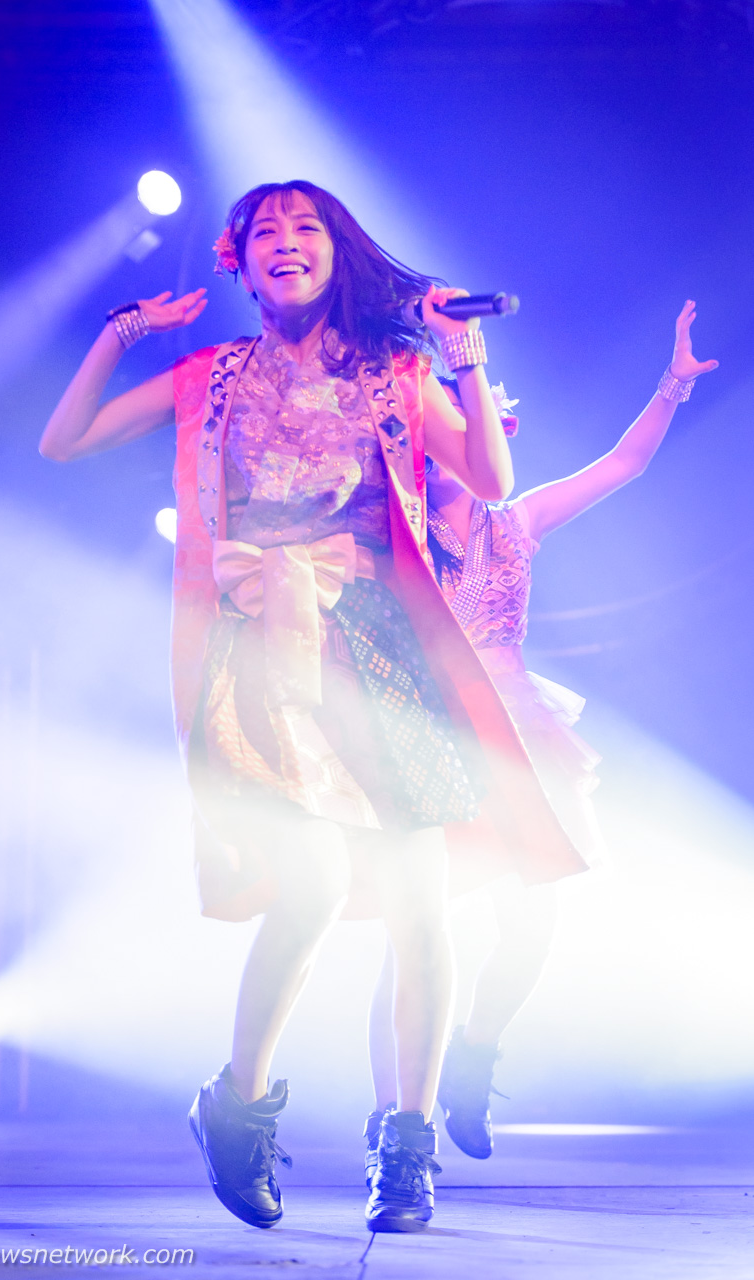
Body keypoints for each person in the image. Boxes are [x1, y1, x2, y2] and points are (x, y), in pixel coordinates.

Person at [39, 180, 586, 1233]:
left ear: (337, 254)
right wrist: (122, 331)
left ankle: (407, 1150)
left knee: (423, 899)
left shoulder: (393, 373)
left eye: (307, 229)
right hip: (264, 650)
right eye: (266, 232)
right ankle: (236, 1105)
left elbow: (488, 473)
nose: (287, 242)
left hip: (380, 646)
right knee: (315, 883)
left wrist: (463, 358)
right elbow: (64, 440)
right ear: (238, 261)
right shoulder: (210, 375)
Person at [365, 300, 718, 1171]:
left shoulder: (517, 521)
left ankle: (474, 1056)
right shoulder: (394, 532)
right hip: (428, 727)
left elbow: (624, 464)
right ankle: (394, 1124)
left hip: (518, 731)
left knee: (531, 924)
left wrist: (673, 384)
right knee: (415, 929)